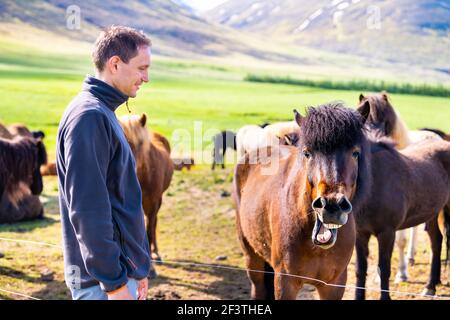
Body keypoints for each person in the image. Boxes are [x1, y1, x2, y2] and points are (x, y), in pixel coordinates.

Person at [56, 25, 152, 300]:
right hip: (102, 286)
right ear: (115, 64)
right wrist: (115, 285)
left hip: (118, 276)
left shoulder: (102, 112)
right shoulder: (90, 117)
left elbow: (121, 202)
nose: (146, 78)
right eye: (141, 68)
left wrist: (139, 266)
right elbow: (88, 211)